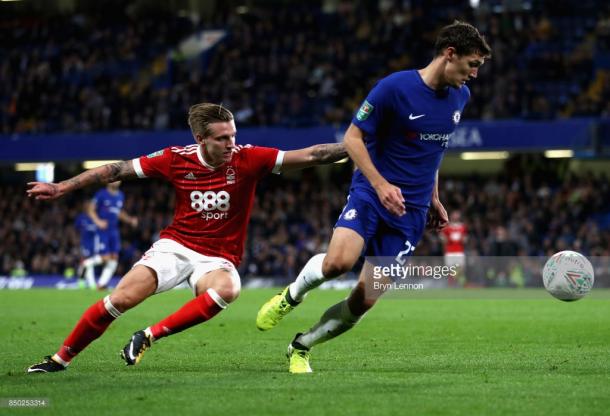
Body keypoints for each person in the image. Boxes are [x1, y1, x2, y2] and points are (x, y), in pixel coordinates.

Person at [26, 102, 347, 373]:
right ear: (200, 139)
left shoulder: (248, 158)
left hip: (218, 258)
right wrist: (62, 187)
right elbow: (117, 170)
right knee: (119, 300)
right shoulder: (176, 158)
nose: (231, 143)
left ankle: (149, 335)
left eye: (233, 135)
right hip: (176, 247)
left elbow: (314, 155)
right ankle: (59, 359)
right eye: (222, 138)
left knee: (228, 290)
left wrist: (358, 145)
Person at [256, 21, 492, 373]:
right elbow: (353, 139)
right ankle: (292, 295)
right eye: (472, 64)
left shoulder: (461, 97)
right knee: (338, 263)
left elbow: (434, 151)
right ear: (449, 54)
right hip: (371, 193)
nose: (474, 73)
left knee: (363, 299)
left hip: (410, 212)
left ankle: (301, 346)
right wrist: (381, 185)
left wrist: (434, 197)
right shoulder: (394, 88)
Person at [88, 181, 138, 290]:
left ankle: (101, 284)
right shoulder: (101, 193)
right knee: (106, 257)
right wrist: (98, 221)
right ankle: (86, 263)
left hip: (114, 230)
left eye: (119, 179)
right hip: (103, 230)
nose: (116, 181)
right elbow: (90, 209)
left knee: (114, 258)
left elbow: (118, 212)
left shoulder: (120, 195)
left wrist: (129, 220)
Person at [74, 205, 101, 289]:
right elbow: (75, 230)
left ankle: (83, 281)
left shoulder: (97, 217)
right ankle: (88, 283)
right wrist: (76, 241)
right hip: (85, 244)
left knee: (89, 262)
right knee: (87, 261)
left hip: (96, 245)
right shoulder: (81, 218)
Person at [441, 210, 467, 286]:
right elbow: (442, 238)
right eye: (454, 214)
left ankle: (461, 285)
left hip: (459, 251)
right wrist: (446, 239)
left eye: (457, 214)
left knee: (461, 269)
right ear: (451, 216)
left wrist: (463, 239)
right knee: (450, 270)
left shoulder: (462, 227)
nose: (455, 216)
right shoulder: (447, 227)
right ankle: (451, 286)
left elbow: (465, 239)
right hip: (450, 252)